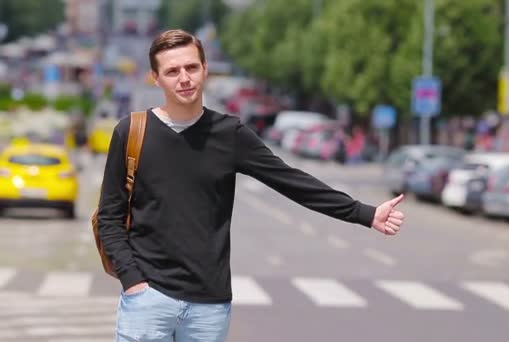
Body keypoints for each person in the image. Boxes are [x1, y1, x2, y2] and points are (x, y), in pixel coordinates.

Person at [97, 29, 406, 342]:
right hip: (148, 301)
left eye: (191, 67)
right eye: (172, 71)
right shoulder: (132, 132)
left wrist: (366, 214)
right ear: (156, 78)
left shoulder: (229, 134)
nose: (184, 78)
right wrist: (133, 280)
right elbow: (109, 216)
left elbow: (291, 181)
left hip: (208, 305)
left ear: (205, 69)